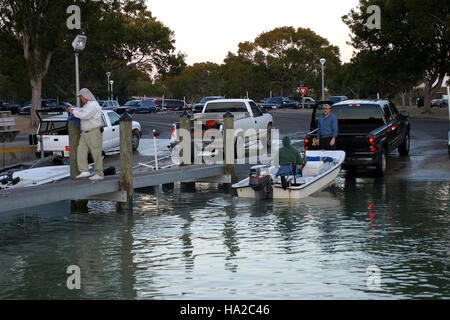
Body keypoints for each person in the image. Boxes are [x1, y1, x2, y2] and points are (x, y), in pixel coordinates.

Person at [67, 88, 104, 181]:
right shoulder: (87, 105)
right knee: (81, 151)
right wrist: (74, 109)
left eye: (81, 96)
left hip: (93, 132)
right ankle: (84, 171)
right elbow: (82, 111)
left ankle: (99, 173)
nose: (81, 98)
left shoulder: (93, 105)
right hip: (85, 133)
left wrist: (73, 112)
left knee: (96, 153)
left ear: (86, 96)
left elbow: (85, 115)